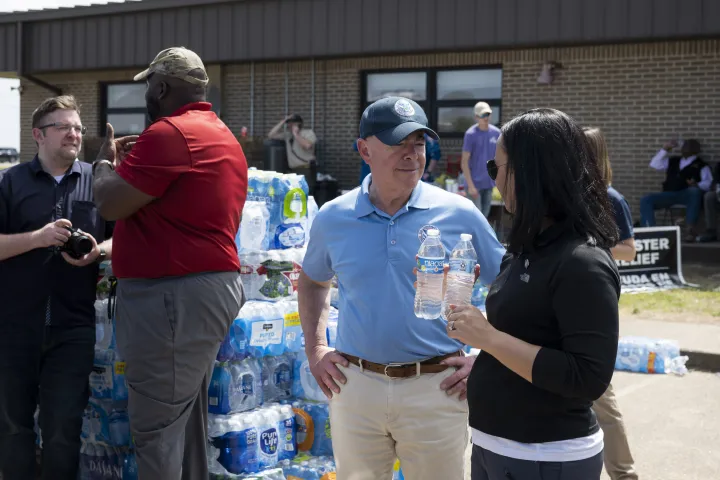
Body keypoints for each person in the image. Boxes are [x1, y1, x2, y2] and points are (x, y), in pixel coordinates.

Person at [298, 96, 505, 480]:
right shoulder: (334, 217)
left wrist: (488, 358)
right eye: (398, 143)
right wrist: (315, 349)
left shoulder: (458, 213)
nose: (412, 154)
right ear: (364, 149)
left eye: (419, 144)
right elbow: (312, 282)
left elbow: (510, 289)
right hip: (355, 386)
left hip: (437, 388)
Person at [92, 47, 247, 480]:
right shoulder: (217, 131)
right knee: (184, 425)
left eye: (149, 87)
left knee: (156, 430)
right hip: (197, 292)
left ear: (160, 87)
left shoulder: (170, 133)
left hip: (173, 297)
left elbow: (109, 201)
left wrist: (103, 161)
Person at [443, 108, 620, 480]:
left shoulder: (581, 262)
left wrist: (488, 338)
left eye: (497, 169)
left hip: (546, 455)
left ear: (530, 173)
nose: (493, 182)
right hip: (497, 445)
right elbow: (530, 339)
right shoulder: (529, 246)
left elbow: (587, 376)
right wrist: (487, 359)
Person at [0, 95, 128, 480]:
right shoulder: (11, 182)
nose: (74, 134)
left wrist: (98, 250)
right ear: (38, 134)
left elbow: (125, 240)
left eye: (78, 128)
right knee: (12, 429)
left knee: (62, 431)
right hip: (14, 326)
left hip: (73, 328)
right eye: (64, 127)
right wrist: (37, 238)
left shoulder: (99, 180)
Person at [584, 127, 639, 480]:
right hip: (561, 299)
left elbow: (629, 250)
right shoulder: (564, 196)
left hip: (595, 303)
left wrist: (590, 246)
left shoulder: (611, 198)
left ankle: (624, 473)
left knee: (601, 396)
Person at [639, 138, 712, 242]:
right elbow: (654, 164)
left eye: (689, 145)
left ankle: (689, 230)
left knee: (694, 191)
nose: (685, 147)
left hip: (687, 196)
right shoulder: (673, 160)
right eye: (684, 145)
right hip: (669, 195)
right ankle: (649, 233)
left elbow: (708, 184)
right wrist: (665, 149)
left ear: (696, 149)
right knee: (646, 199)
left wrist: (697, 184)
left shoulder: (702, 165)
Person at [461, 101, 501, 217]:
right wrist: (471, 185)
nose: (486, 118)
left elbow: (499, 159)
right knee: (476, 219)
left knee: (485, 218)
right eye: (483, 115)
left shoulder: (496, 133)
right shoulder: (470, 134)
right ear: (476, 117)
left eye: (487, 114)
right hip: (474, 185)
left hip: (488, 184)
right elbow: (464, 162)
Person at [268, 113, 317, 192]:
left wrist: (296, 134)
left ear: (299, 124)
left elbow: (307, 145)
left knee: (306, 193)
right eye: (289, 123)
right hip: (292, 170)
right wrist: (283, 121)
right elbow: (271, 135)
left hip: (306, 169)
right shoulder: (288, 135)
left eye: (293, 123)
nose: (290, 125)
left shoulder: (308, 133)